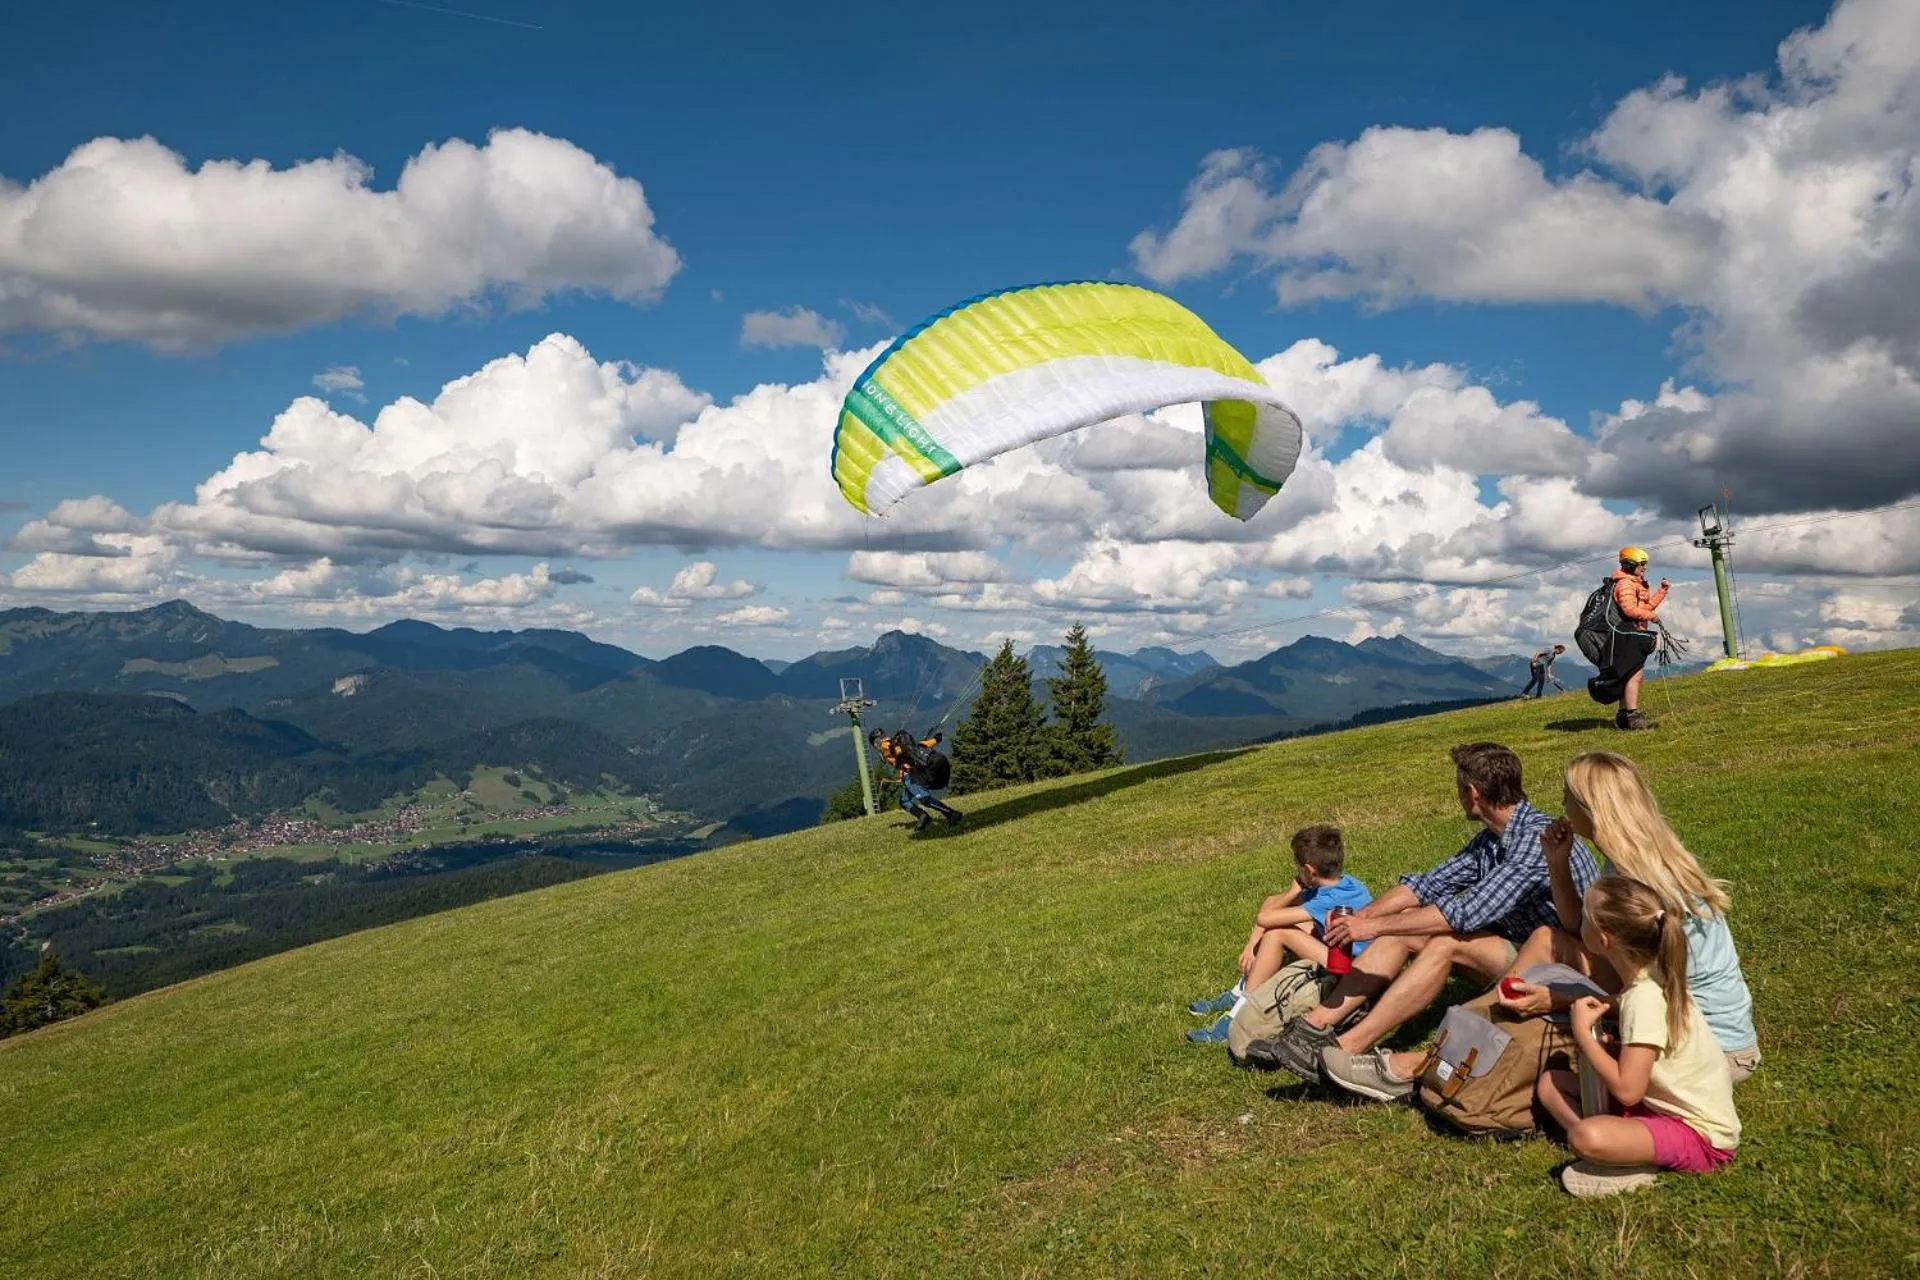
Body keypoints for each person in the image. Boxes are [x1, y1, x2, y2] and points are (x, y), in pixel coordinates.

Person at [1265, 742, 1600, 1096]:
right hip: (1523, 948)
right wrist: (1361, 919)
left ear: (1473, 793)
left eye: (1459, 788)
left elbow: (1468, 912)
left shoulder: (1533, 840)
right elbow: (1428, 885)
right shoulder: (1493, 838)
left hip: (1563, 967)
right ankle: (1313, 1028)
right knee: (1408, 921)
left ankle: (1345, 1048)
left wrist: (1371, 926)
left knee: (1445, 941)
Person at [1489, 752, 1761, 1081]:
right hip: (1685, 1024)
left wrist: (1559, 1000)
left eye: (1569, 796)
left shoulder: (1645, 885)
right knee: (1547, 939)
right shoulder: (1629, 862)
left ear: (1592, 808)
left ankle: (1482, 1041)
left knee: (1564, 1066)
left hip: (1710, 1051)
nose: (1562, 804)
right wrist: (1557, 863)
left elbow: (1651, 1001)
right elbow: (1580, 926)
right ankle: (1482, 1026)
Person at [1536, 876, 1740, 1198]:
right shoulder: (1654, 975)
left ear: (1604, 941)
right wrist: (1615, 1047)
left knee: (1585, 1137)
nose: (1580, 922)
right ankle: (1622, 1151)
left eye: (1585, 917)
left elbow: (1629, 1091)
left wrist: (1583, 1036)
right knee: (1552, 1085)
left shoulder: (1642, 999)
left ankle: (1625, 1164)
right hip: (1660, 1104)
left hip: (1700, 1135)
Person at [1185, 825, 1373, 1044]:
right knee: (1293, 927)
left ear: (1309, 871)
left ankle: (1235, 1017)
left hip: (1349, 968)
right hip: (1347, 953)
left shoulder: (1326, 900)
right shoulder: (1346, 882)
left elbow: (1265, 918)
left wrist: (1293, 892)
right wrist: (1252, 945)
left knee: (1278, 934)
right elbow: (1270, 903)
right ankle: (1239, 992)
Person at [1597, 547, 1669, 732]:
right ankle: (1632, 717)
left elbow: (1647, 606)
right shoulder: (1625, 585)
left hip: (1633, 633)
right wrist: (1651, 617)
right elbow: (1629, 610)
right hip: (1626, 635)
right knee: (1634, 675)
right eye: (1641, 564)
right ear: (1629, 565)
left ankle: (1624, 716)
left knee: (1629, 674)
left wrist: (1662, 591)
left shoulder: (1634, 583)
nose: (1644, 568)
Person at [870, 727, 962, 833]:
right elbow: (918, 747)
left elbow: (899, 751)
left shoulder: (885, 746)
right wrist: (936, 740)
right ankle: (923, 817)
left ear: (875, 742)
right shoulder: (896, 742)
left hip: (912, 775)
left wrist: (895, 751)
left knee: (924, 798)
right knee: (904, 801)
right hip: (909, 775)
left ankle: (951, 814)